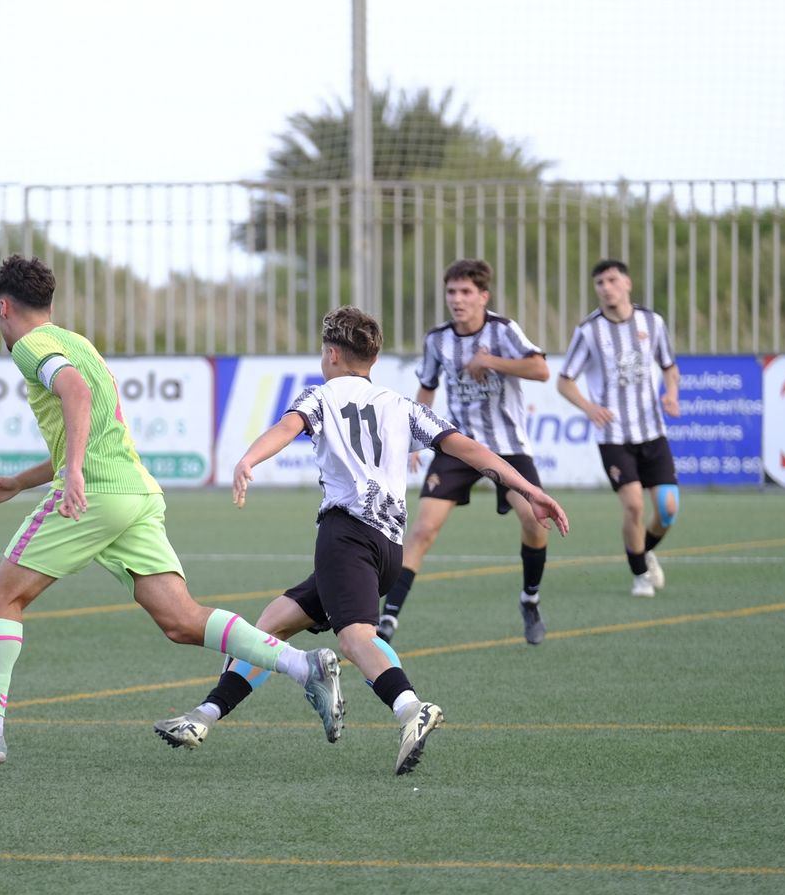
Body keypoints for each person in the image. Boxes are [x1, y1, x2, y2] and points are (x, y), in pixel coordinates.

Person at [0, 255, 342, 769]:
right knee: (181, 620)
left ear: (3, 307)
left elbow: (73, 393)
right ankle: (304, 666)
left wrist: (73, 473)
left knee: (0, 597)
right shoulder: (77, 343)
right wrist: (21, 482)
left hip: (95, 494)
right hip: (134, 493)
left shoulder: (30, 345)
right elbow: (88, 423)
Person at [152, 307, 569, 776]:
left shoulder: (321, 395)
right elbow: (470, 449)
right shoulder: (401, 405)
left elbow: (288, 427)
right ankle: (204, 716)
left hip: (346, 537)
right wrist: (530, 490)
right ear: (373, 358)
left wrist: (248, 459)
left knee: (354, 638)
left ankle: (410, 708)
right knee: (270, 626)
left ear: (331, 354)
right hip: (388, 550)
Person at [377, 259, 553, 646]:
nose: (457, 299)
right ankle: (387, 619)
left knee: (534, 521)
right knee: (422, 530)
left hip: (507, 447)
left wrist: (490, 361)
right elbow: (427, 387)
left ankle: (530, 599)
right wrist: (414, 438)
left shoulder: (503, 330)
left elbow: (541, 370)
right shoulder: (437, 339)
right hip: (456, 445)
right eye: (452, 292)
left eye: (466, 292)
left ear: (483, 296)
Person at [556, 259, 681, 598]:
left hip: (652, 431)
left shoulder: (652, 322)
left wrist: (671, 394)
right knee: (634, 506)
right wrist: (589, 407)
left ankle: (643, 551)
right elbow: (564, 381)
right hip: (613, 436)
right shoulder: (589, 331)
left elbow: (669, 367)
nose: (606, 287)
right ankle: (640, 575)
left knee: (668, 509)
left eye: (612, 280)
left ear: (627, 283)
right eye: (600, 283)